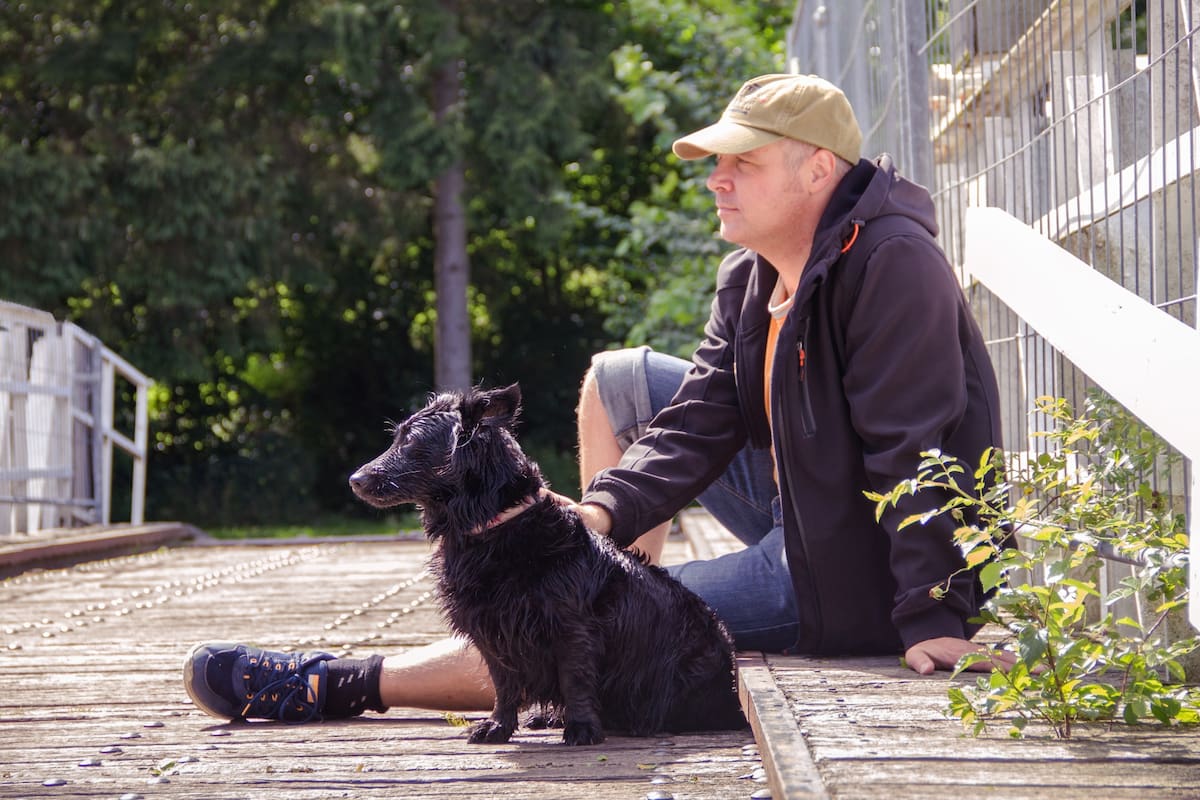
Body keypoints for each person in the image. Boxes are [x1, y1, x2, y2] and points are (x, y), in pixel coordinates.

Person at [183, 73, 1010, 724]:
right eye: (716, 162)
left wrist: (932, 614)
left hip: (857, 569)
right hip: (807, 504)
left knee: (562, 618)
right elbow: (701, 416)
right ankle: (608, 590)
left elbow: (919, 452)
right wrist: (599, 515)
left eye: (742, 163)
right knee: (621, 378)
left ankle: (346, 685)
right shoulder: (754, 277)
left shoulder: (893, 264)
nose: (716, 180)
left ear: (817, 168)